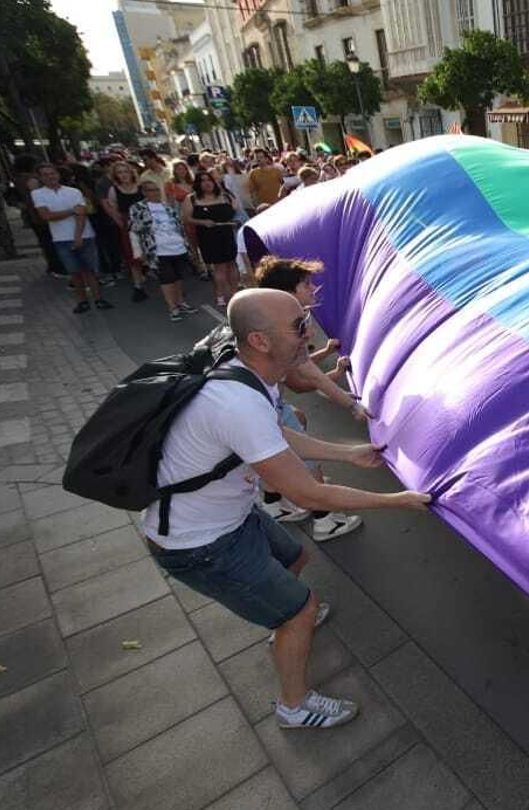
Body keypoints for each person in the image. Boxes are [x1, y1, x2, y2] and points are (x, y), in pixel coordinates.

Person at [144, 287, 430, 728]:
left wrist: (345, 453)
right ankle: (293, 707)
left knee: (296, 556)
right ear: (259, 340)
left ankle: (281, 621)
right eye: (298, 326)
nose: (307, 333)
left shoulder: (250, 378)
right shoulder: (236, 402)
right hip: (197, 544)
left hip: (228, 518)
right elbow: (308, 496)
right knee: (302, 609)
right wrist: (396, 501)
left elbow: (274, 434)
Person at [250, 255, 365, 543]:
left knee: (296, 421)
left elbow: (296, 378)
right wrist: (352, 405)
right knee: (309, 461)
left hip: (255, 401)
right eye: (306, 284)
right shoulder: (285, 326)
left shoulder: (264, 315)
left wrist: (328, 357)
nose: (313, 288)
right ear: (288, 295)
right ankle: (325, 520)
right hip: (258, 406)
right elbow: (310, 377)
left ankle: (273, 502)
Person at [32, 163, 110, 315]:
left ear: (58, 174)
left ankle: (98, 298)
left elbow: (81, 214)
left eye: (52, 173)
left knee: (91, 270)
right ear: (41, 178)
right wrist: (71, 211)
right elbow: (46, 216)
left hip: (84, 235)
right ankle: (82, 301)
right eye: (45, 174)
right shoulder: (38, 194)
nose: (50, 177)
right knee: (74, 271)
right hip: (61, 238)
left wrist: (78, 236)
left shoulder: (74, 191)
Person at [128, 180, 197, 321]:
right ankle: (172, 307)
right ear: (144, 192)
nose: (155, 193)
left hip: (178, 247)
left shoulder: (167, 206)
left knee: (178, 277)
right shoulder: (138, 208)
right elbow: (133, 231)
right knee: (167, 279)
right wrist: (138, 252)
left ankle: (180, 302)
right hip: (158, 250)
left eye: (156, 190)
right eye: (151, 190)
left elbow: (178, 227)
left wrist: (187, 246)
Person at [186, 170, 240, 308]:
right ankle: (220, 295)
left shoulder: (225, 196)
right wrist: (202, 222)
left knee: (232, 263)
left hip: (227, 233)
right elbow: (185, 218)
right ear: (198, 184)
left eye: (209, 179)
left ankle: (234, 293)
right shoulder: (192, 198)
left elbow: (236, 211)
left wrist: (234, 222)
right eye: (202, 180)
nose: (207, 183)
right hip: (208, 236)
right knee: (219, 267)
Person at [103, 161, 151, 302]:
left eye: (126, 171)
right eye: (120, 172)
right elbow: (114, 211)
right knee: (133, 257)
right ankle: (138, 287)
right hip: (128, 226)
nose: (123, 175)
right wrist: (125, 227)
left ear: (131, 172)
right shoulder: (114, 190)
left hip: (146, 224)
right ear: (115, 175)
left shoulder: (141, 188)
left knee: (152, 253)